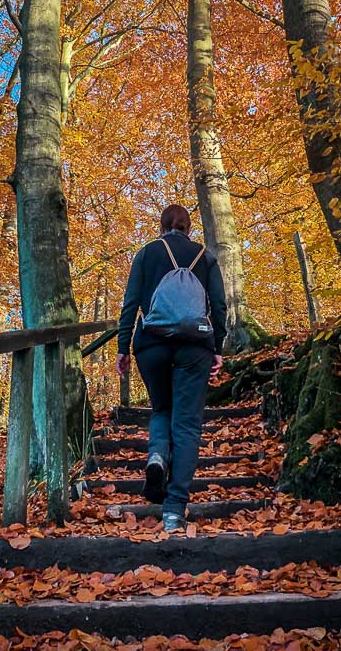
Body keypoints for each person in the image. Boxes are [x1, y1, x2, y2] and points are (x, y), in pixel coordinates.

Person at [116, 204, 227, 532]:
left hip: (151, 345)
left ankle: (156, 456)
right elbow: (219, 306)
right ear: (188, 228)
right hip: (195, 348)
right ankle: (175, 510)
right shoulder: (205, 256)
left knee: (161, 409)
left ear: (162, 226)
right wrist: (217, 347)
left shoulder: (146, 254)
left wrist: (123, 347)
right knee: (188, 425)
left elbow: (130, 303)